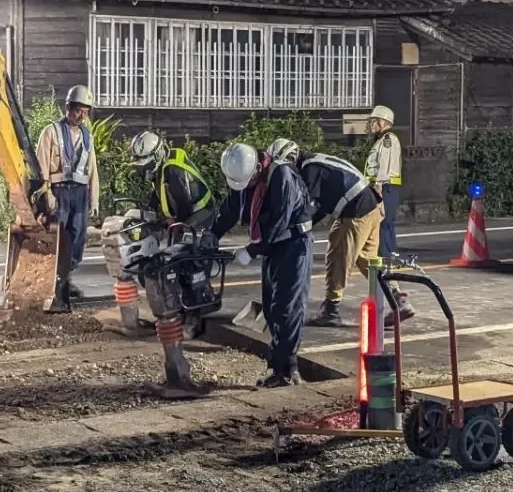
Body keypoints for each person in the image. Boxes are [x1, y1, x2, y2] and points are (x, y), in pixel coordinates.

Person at [212, 141, 314, 388]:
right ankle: (278, 366)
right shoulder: (245, 176)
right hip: (273, 247)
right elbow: (230, 209)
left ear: (258, 167)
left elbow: (280, 221)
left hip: (293, 245)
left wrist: (252, 250)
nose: (243, 187)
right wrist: (211, 235)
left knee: (287, 309)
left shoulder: (282, 176)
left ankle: (287, 371)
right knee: (271, 308)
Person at [102, 132, 216, 335]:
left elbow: (184, 204)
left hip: (200, 213)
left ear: (155, 155)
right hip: (186, 213)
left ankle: (194, 316)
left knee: (187, 259)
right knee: (172, 258)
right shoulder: (160, 168)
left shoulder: (173, 170)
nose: (143, 169)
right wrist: (151, 214)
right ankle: (180, 306)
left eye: (145, 164)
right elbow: (158, 194)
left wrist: (173, 224)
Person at [275, 141, 384, 329]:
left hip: (355, 211)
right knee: (368, 260)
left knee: (337, 257)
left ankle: (331, 311)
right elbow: (320, 207)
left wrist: (292, 230)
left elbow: (308, 207)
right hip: (370, 205)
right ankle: (398, 298)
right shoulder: (316, 162)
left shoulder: (309, 170)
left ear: (291, 160)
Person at [35, 85, 99, 311]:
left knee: (78, 239)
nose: (81, 115)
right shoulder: (51, 132)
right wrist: (47, 194)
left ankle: (66, 278)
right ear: (68, 108)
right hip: (59, 191)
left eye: (85, 111)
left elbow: (92, 169)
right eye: (77, 110)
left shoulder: (87, 136)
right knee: (59, 240)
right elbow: (41, 165)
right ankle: (54, 286)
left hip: (80, 193)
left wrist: (94, 198)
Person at [364, 105, 413, 323]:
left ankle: (388, 267)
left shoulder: (387, 139)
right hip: (384, 188)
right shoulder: (382, 140)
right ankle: (387, 266)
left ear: (383, 122)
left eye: (374, 121)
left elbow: (383, 168)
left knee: (383, 229)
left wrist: (378, 190)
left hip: (385, 189)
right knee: (383, 230)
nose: (371, 124)